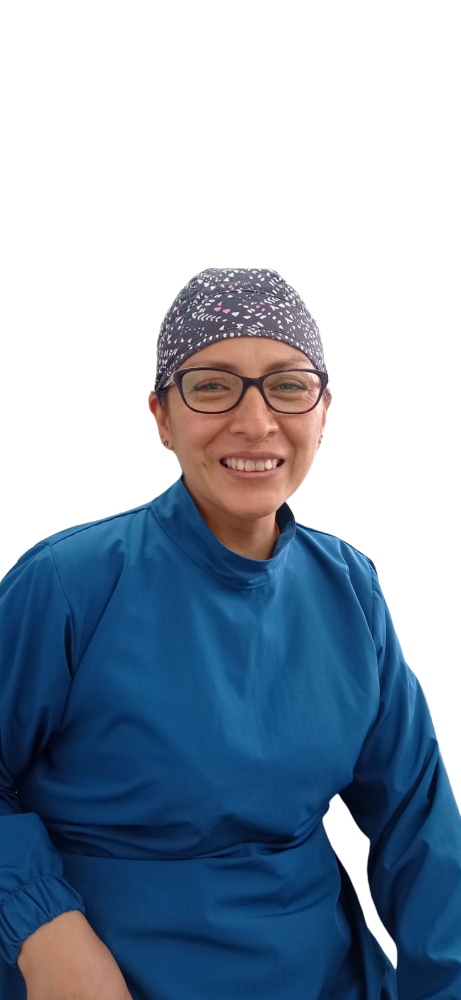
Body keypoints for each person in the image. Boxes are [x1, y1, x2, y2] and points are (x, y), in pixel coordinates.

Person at [0, 267, 460, 1000]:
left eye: (287, 385)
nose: (255, 422)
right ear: (162, 416)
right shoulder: (68, 584)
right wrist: (41, 927)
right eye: (213, 386)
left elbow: (418, 823)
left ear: (323, 412)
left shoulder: (349, 588)